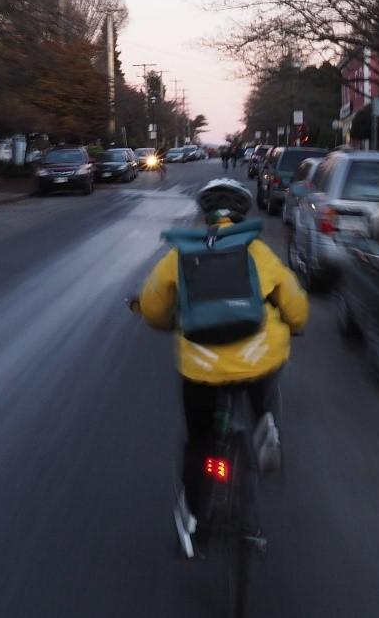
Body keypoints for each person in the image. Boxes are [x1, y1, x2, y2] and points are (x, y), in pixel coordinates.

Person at [136, 177, 309, 558]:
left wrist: (168, 322)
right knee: (265, 378)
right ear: (242, 213)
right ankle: (266, 426)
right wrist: (296, 325)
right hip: (256, 356)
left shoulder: (181, 254)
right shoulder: (259, 252)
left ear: (206, 215)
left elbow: (152, 307)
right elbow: (294, 302)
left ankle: (194, 518)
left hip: (201, 364)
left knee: (200, 439)